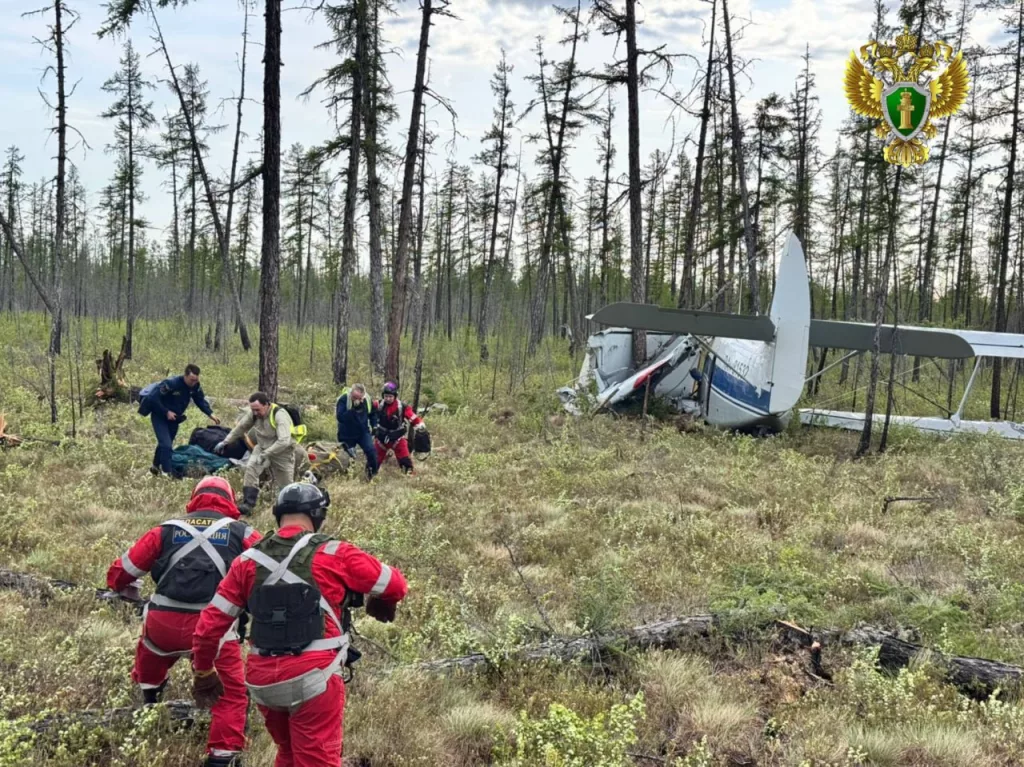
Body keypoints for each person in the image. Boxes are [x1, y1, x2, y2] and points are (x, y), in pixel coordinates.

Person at [191, 483, 409, 767]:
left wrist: (204, 670)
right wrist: (385, 599)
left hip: (263, 682)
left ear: (278, 515)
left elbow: (209, 626)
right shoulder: (334, 552)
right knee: (316, 758)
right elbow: (396, 583)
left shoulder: (246, 561)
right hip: (315, 678)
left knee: (288, 753)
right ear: (318, 516)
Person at [106, 476, 260, 767]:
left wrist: (119, 586)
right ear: (230, 500)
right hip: (213, 630)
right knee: (230, 695)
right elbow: (270, 568)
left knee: (149, 659)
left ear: (194, 498)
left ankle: (149, 701)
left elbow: (123, 570)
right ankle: (222, 756)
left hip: (161, 624)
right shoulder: (242, 533)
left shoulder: (165, 530)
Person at [214, 392, 310, 515]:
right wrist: (225, 441)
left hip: (282, 452)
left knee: (285, 485)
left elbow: (284, 441)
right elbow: (241, 427)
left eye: (257, 410)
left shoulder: (280, 416)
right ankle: (248, 505)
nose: (255, 413)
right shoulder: (254, 414)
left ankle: (287, 509)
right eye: (253, 410)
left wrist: (267, 454)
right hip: (262, 447)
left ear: (266, 405)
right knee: (251, 468)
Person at [146, 364, 220, 477]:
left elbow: (199, 400)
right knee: (166, 445)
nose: (193, 383)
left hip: (174, 419)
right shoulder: (171, 383)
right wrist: (166, 412)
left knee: (165, 444)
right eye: (191, 380)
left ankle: (155, 467)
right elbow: (152, 398)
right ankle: (167, 473)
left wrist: (210, 414)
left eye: (196, 380)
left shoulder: (195, 386)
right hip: (160, 416)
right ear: (185, 375)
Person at [373, 381, 425, 475]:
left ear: (395, 396)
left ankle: (409, 478)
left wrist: (420, 427)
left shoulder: (402, 407)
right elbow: (367, 410)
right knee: (373, 462)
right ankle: (368, 478)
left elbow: (413, 418)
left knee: (405, 461)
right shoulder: (378, 405)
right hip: (381, 439)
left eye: (390, 396)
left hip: (397, 439)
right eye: (386, 396)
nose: (388, 399)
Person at [335, 383, 379, 479]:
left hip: (363, 432)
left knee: (371, 451)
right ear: (351, 393)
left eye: (360, 398)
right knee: (348, 457)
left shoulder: (367, 399)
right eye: (355, 397)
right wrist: (353, 410)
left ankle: (372, 475)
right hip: (347, 434)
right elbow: (340, 417)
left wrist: (375, 426)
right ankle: (348, 478)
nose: (357, 400)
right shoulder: (344, 399)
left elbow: (373, 414)